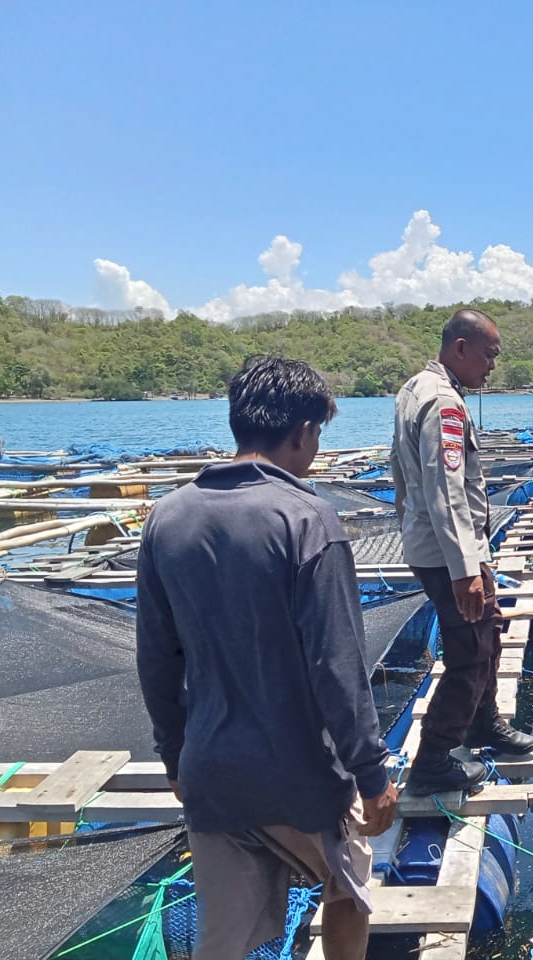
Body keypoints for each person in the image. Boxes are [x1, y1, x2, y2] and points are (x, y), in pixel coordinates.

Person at [136, 357, 399, 960]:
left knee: (223, 940)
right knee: (348, 893)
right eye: (316, 437)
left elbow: (155, 656)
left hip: (211, 772)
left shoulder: (167, 517)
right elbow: (337, 665)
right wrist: (371, 772)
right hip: (300, 775)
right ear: (303, 431)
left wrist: (175, 756)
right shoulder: (308, 517)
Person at [392, 308, 533, 795]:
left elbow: (403, 479)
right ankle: (434, 755)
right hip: (449, 554)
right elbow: (446, 490)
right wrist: (465, 570)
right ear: (460, 348)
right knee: (470, 653)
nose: (492, 366)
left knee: (488, 634)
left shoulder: (416, 388)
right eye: (489, 355)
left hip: (445, 548)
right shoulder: (442, 403)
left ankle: (481, 722)